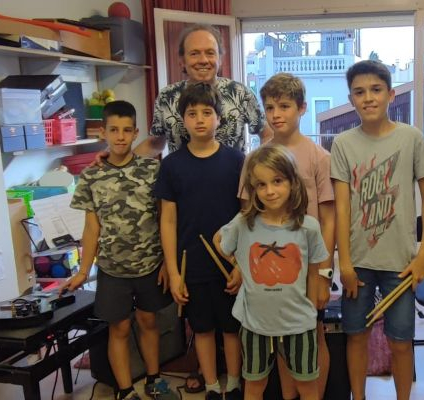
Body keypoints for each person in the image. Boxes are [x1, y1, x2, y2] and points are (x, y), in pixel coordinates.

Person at [330, 60, 424, 400]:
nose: (369, 98)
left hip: (402, 263)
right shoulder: (343, 143)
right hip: (358, 263)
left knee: (401, 341)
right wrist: (343, 262)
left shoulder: (411, 138)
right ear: (351, 99)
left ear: (391, 94)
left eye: (376, 90)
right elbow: (342, 207)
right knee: (356, 336)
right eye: (360, 93)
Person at [63, 100, 177, 400]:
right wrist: (83, 270)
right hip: (113, 269)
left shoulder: (152, 169)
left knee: (149, 322)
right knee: (120, 329)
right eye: (114, 130)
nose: (121, 136)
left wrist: (168, 262)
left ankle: (154, 379)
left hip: (150, 264)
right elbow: (91, 229)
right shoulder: (91, 176)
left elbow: (165, 218)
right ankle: (125, 391)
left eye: (127, 130)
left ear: (136, 132)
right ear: (104, 132)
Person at [239, 72, 335, 400]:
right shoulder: (256, 158)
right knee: (278, 338)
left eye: (284, 106)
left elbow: (329, 217)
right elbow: (246, 216)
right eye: (269, 108)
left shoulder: (320, 156)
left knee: (314, 335)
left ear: (302, 108)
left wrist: (323, 273)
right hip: (267, 268)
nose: (276, 114)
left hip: (308, 266)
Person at [215, 144, 330, 400]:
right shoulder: (244, 223)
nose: (270, 191)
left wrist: (310, 314)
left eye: (277, 181)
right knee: (255, 385)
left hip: (299, 324)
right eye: (261, 184)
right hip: (255, 324)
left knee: (307, 386)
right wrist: (240, 263)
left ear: (292, 182)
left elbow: (314, 272)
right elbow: (218, 241)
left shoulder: (308, 227)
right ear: (253, 189)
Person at [155, 83, 245, 400]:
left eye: (207, 113)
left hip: (230, 263)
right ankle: (210, 386)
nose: (200, 119)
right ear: (182, 120)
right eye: (192, 114)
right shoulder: (171, 165)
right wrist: (174, 271)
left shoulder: (237, 160)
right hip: (190, 263)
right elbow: (167, 220)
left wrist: (243, 266)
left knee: (232, 328)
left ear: (220, 119)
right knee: (202, 328)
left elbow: (248, 216)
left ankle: (233, 384)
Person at [136, 23, 272, 158]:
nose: (203, 60)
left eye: (210, 53)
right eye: (194, 53)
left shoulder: (240, 93)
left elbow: (267, 135)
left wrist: (251, 165)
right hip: (183, 178)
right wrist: (120, 168)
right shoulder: (167, 97)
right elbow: (155, 144)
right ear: (182, 60)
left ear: (220, 58)